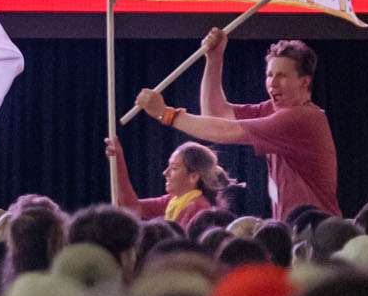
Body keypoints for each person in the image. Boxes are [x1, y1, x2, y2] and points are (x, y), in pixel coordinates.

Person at [127, 30, 340, 217]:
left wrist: (166, 114)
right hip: (297, 231)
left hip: (318, 235)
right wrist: (214, 58)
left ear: (304, 82)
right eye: (269, 75)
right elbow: (216, 113)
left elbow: (223, 130)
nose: (272, 83)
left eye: (282, 76)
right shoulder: (271, 109)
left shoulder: (301, 118)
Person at [104, 137, 235, 226]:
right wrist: (117, 160)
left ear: (193, 176)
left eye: (174, 168)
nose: (165, 173)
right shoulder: (173, 201)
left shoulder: (198, 208)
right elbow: (132, 207)